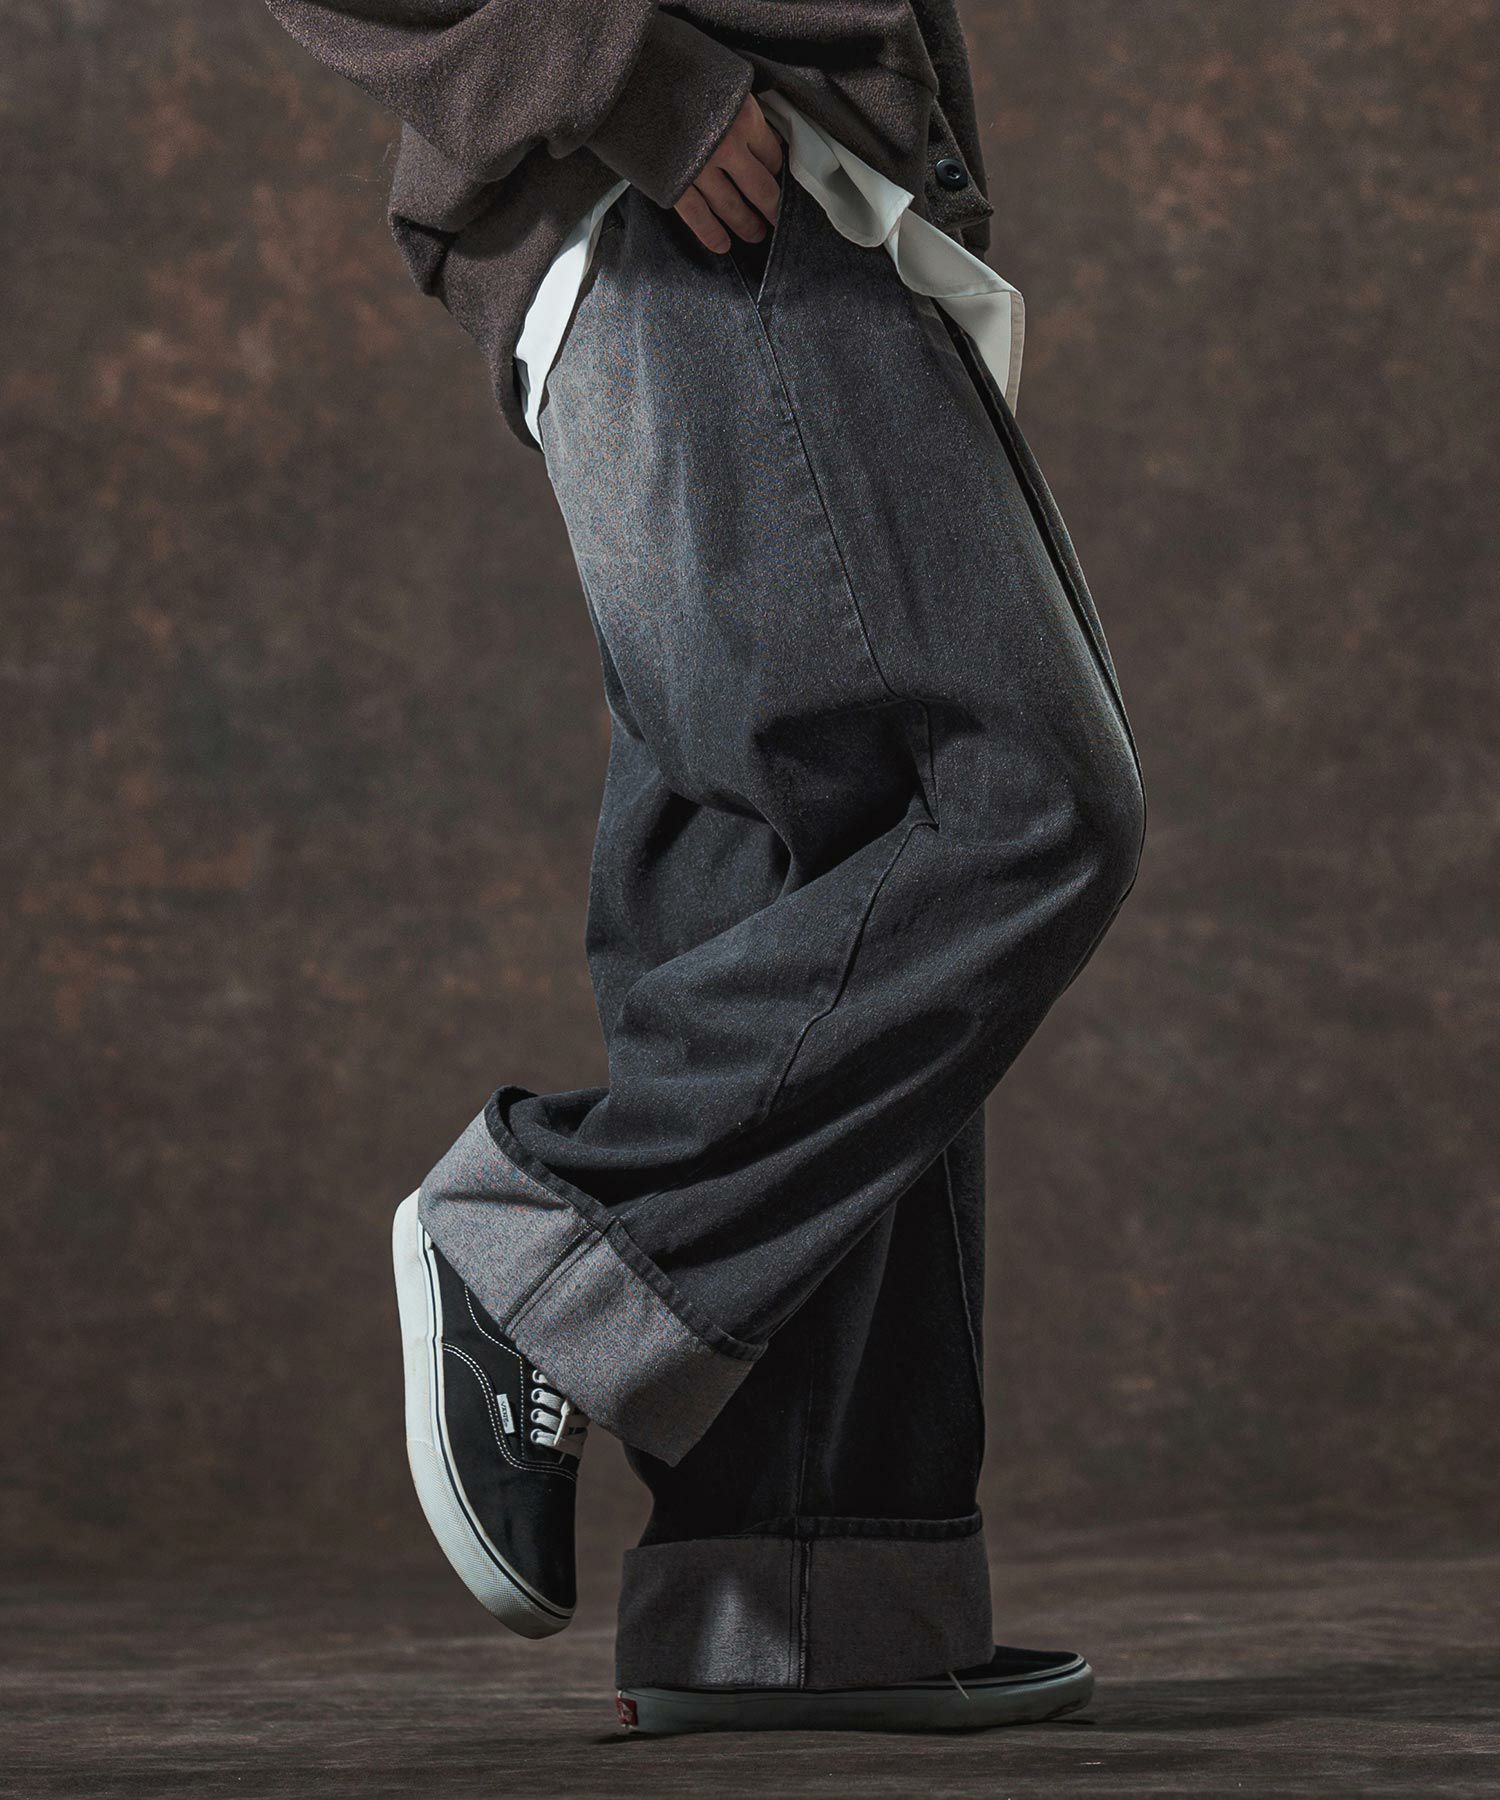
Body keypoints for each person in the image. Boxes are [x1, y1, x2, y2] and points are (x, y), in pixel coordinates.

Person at [264, 0, 1146, 1737]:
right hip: (710, 205)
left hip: (762, 207)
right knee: (1020, 801)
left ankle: (800, 1598)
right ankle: (546, 1249)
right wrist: (630, 74)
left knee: (816, 861)